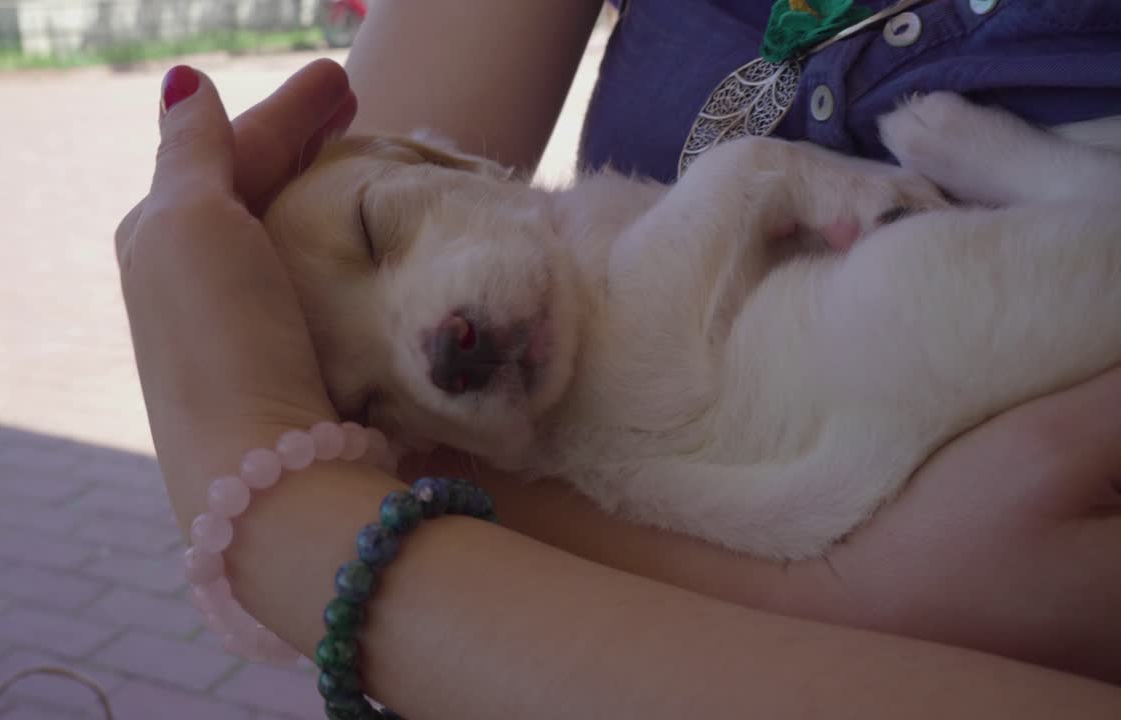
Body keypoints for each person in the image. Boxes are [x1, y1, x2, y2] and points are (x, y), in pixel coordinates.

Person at [116, 2, 1121, 716]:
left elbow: (371, 482)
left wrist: (269, 492)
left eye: (381, 231)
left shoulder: (584, 282)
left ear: (438, 159)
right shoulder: (591, 341)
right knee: (905, 299)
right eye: (378, 395)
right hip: (897, 407)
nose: (435, 351)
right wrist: (841, 593)